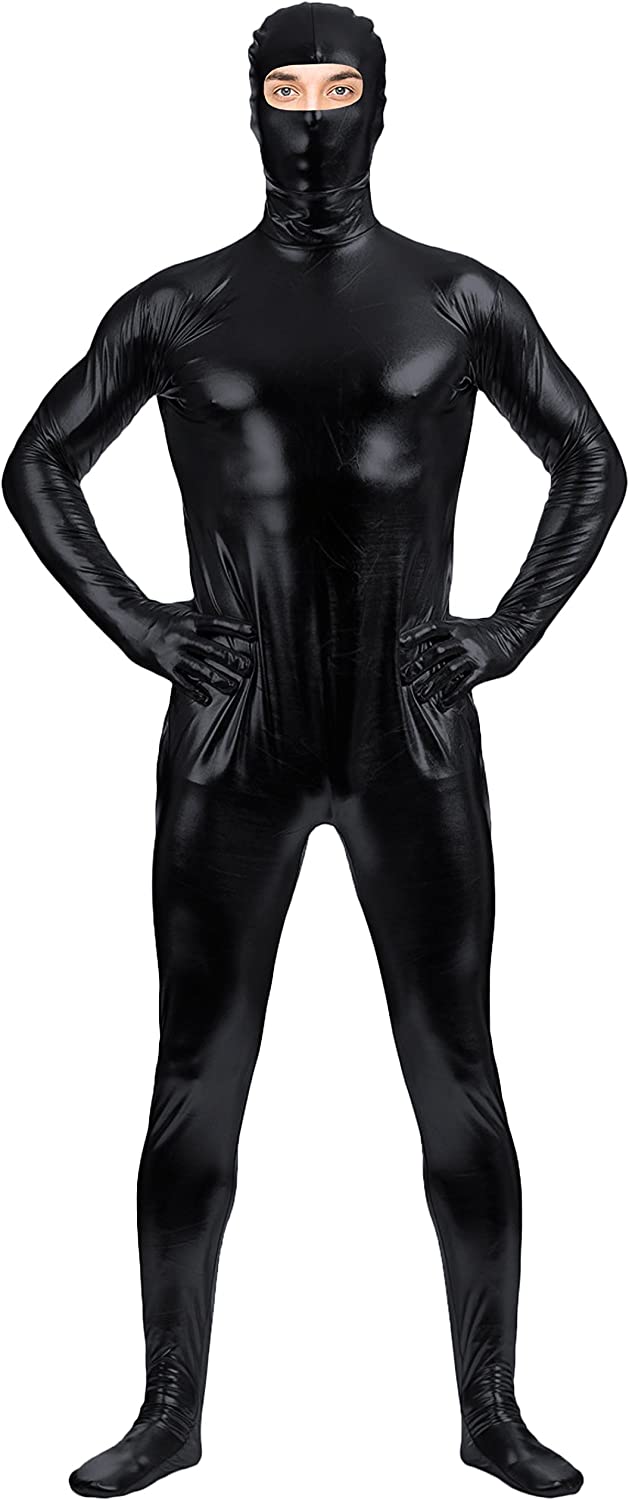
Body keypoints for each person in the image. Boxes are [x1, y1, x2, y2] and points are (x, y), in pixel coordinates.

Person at [3, 3, 625, 1496]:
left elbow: (590, 462)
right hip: (235, 729)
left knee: (455, 1066)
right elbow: (38, 465)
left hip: (411, 726)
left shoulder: (459, 297)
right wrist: (146, 631)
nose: (309, 114)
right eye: (284, 86)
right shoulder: (177, 307)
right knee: (198, 1066)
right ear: (249, 107)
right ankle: (168, 1412)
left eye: (335, 85)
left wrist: (503, 634)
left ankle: (490, 1411)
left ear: (378, 104)